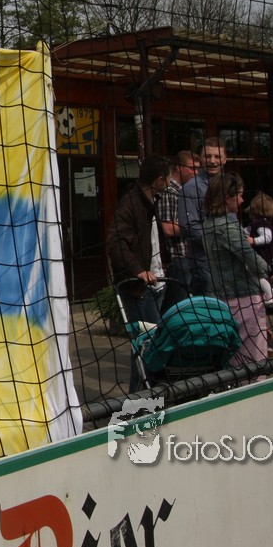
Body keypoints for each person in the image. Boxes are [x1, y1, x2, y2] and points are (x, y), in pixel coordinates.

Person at [107, 155, 170, 390]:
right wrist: (138, 271)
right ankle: (139, 398)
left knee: (150, 344)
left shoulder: (150, 202)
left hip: (157, 281)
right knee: (148, 345)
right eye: (168, 179)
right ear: (160, 179)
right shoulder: (131, 204)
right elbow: (115, 243)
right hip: (139, 288)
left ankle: (146, 394)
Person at [202, 172, 273, 369]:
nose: (243, 200)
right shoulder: (226, 226)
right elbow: (248, 255)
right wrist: (269, 269)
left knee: (233, 359)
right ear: (228, 197)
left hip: (224, 297)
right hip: (243, 298)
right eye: (240, 195)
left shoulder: (208, 224)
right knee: (252, 361)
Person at [179, 137, 227, 295]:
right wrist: (218, 242)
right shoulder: (191, 188)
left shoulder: (228, 185)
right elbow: (189, 227)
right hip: (204, 264)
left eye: (217, 156)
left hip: (227, 263)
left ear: (224, 159)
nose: (212, 161)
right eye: (208, 156)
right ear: (201, 159)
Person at [158, 150, 200, 313]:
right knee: (175, 309)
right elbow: (168, 228)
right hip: (177, 259)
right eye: (192, 168)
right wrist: (196, 226)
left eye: (198, 169)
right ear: (178, 167)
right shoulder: (170, 192)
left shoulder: (186, 192)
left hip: (189, 257)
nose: (196, 173)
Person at [245, 192, 273, 309]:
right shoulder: (255, 224)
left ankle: (272, 294)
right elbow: (245, 232)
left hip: (262, 258)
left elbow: (267, 237)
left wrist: (253, 240)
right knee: (256, 277)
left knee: (255, 276)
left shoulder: (262, 223)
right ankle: (268, 295)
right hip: (258, 258)